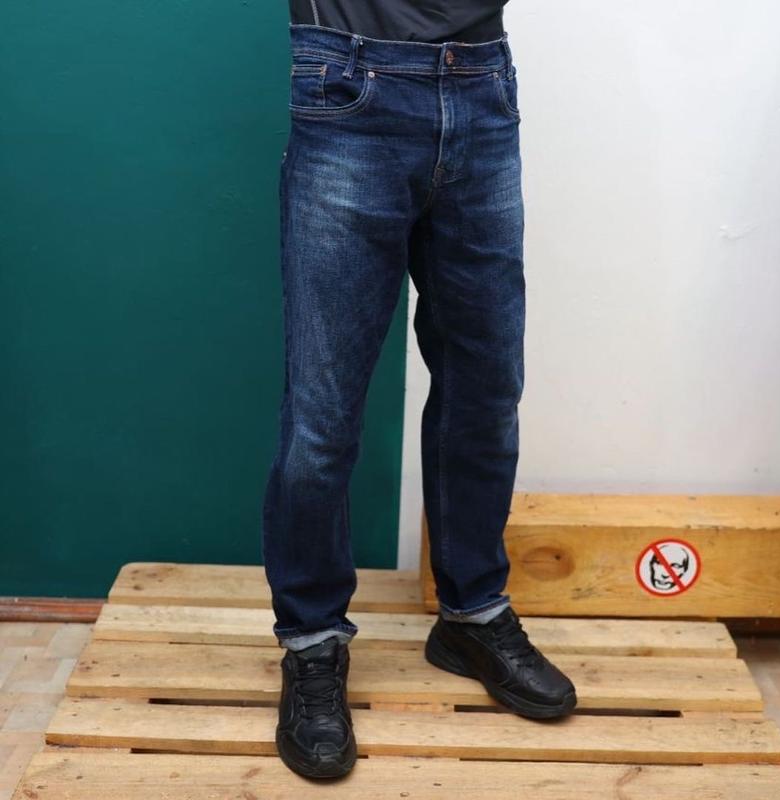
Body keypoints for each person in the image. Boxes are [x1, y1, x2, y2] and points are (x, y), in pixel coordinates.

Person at [262, 1, 577, 779]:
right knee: (323, 419)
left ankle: (472, 615)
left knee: (486, 392)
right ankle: (312, 643)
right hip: (349, 88)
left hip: (483, 87)